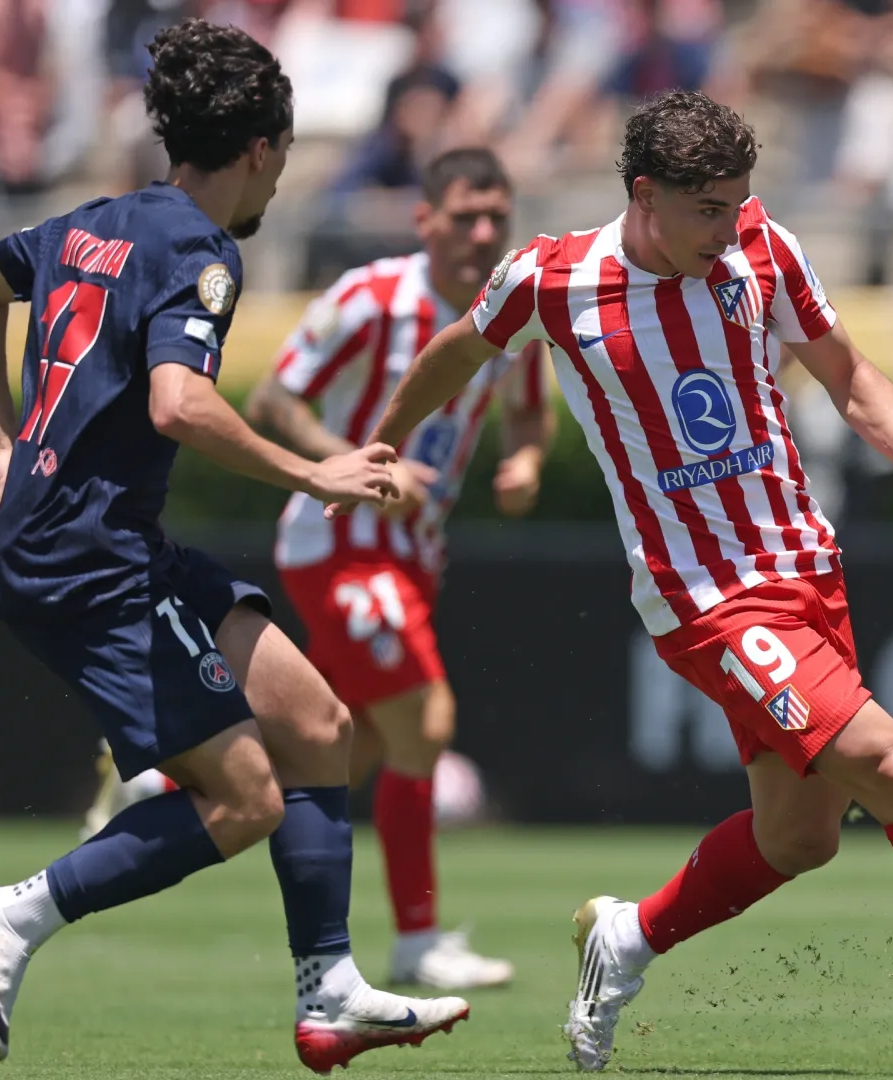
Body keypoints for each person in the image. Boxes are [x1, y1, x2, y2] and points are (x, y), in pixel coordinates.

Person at [346, 88, 893, 1072]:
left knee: (800, 837)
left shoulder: (765, 246)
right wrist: (377, 446)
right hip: (702, 597)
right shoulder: (551, 280)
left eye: (737, 205)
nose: (727, 231)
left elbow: (847, 373)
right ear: (646, 194)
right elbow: (458, 351)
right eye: (707, 210)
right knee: (891, 770)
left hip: (806, 568)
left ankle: (625, 938)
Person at [0, 20, 471, 1071]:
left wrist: (5, 446)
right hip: (87, 562)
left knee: (318, 723)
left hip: (102, 538)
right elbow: (181, 406)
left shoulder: (98, 220)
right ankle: (13, 913)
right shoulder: (199, 250)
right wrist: (315, 472)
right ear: (265, 149)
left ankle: (331, 995)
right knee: (243, 801)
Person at [247, 145, 551, 990]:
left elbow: (530, 419)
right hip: (335, 536)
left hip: (415, 555)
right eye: (464, 216)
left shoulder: (514, 317)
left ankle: (177, 783)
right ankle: (417, 941)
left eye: (497, 217)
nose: (483, 232)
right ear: (425, 220)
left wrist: (524, 465)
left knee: (349, 745)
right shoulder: (371, 298)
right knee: (427, 719)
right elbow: (271, 402)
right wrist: (355, 465)